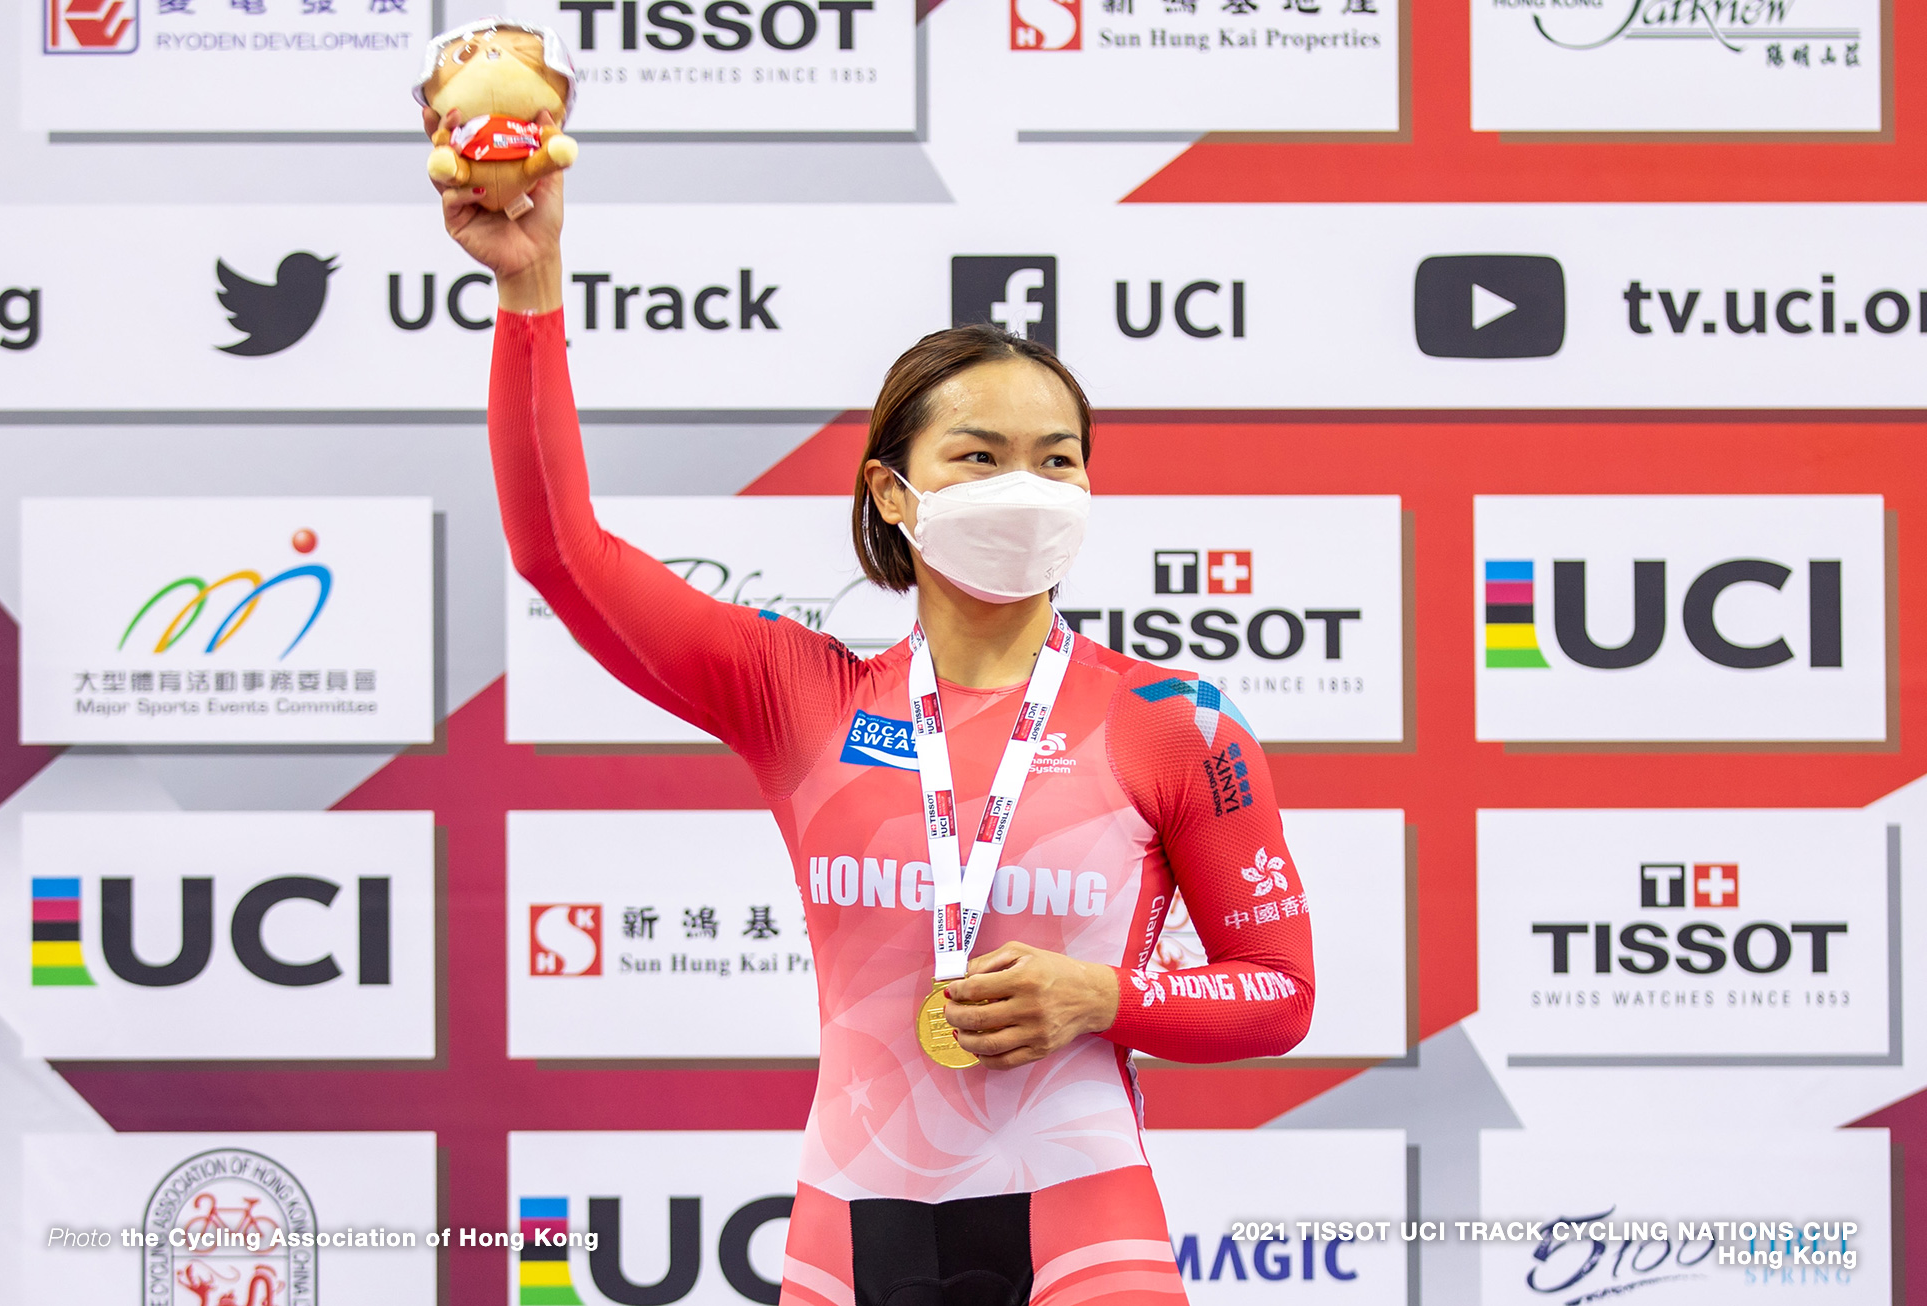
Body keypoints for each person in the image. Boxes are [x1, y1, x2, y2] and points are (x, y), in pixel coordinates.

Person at [433, 128, 1316, 1306]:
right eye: (981, 455)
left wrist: (1104, 995)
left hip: (1085, 1224)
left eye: (1059, 459)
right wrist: (530, 285)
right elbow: (561, 553)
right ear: (893, 493)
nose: (1027, 487)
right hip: (852, 1229)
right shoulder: (801, 696)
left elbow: (1278, 989)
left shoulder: (1172, 718)